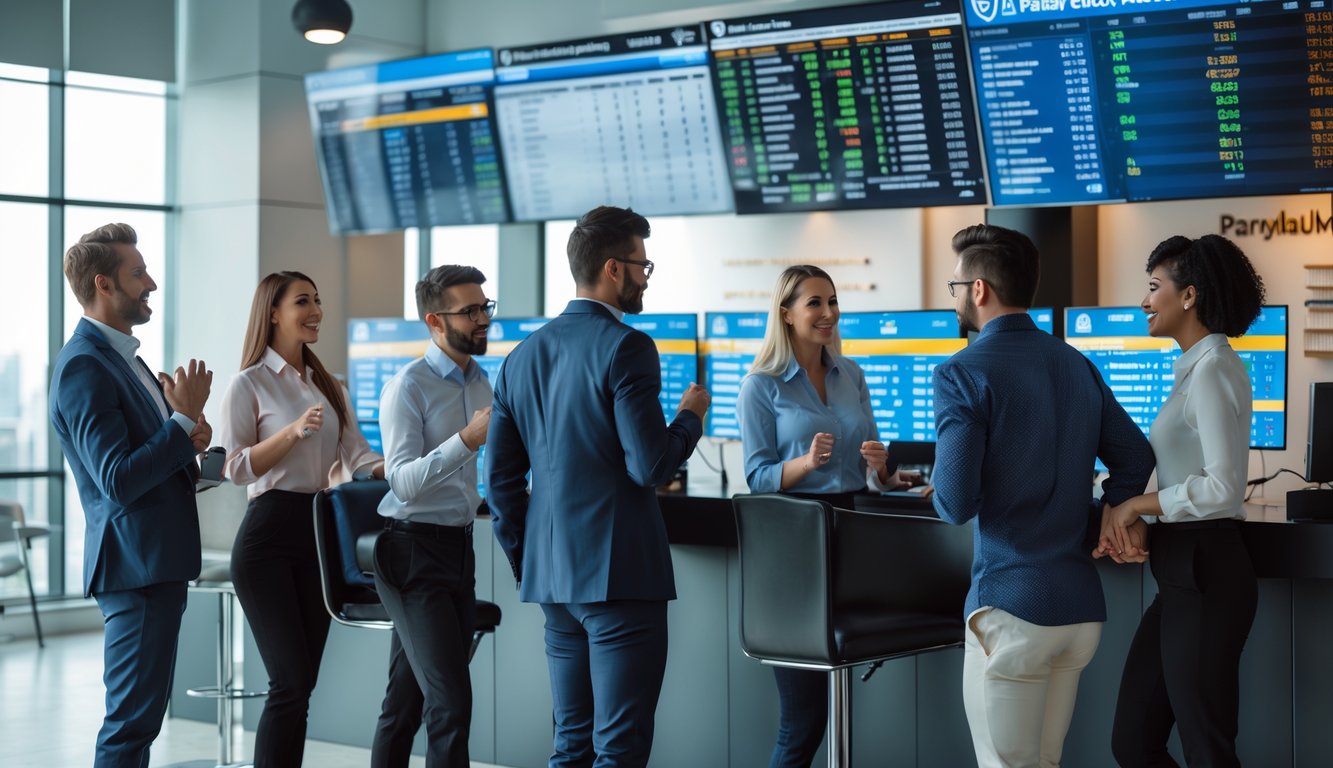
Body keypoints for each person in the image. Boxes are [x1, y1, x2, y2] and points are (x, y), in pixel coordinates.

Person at [486, 205, 711, 767]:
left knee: (571, 745)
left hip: (555, 580)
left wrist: (529, 562)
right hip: (620, 578)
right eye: (643, 265)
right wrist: (690, 418)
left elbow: (501, 482)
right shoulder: (627, 346)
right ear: (614, 268)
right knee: (619, 748)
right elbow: (651, 467)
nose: (645, 277)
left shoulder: (520, 358)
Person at [931, 224, 1154, 767]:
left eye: (956, 286)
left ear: (979, 290)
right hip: (1077, 613)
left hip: (1011, 607)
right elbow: (1136, 457)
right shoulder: (1075, 364)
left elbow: (955, 503)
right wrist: (1107, 514)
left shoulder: (962, 372)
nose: (956, 297)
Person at [735, 264, 920, 767]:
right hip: (794, 545)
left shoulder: (850, 374)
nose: (828, 313)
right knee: (804, 719)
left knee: (838, 704)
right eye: (815, 303)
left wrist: (884, 472)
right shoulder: (761, 386)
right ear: (786, 314)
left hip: (851, 537)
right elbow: (757, 478)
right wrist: (804, 462)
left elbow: (869, 471)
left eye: (832, 301)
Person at [49, 223, 213, 768]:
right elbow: (116, 479)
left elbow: (151, 461)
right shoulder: (84, 366)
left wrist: (189, 441)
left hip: (155, 563)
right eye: (137, 273)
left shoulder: (127, 360)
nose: (151, 284)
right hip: (135, 566)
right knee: (130, 724)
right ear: (104, 284)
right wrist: (182, 417)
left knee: (140, 720)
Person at [1103, 235, 1265, 768]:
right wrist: (1143, 509)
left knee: (1207, 750)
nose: (1144, 302)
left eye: (1153, 288)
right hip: (1180, 573)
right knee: (1133, 742)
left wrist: (1138, 506)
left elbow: (1222, 487)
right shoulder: (1195, 368)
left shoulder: (1214, 369)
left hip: (1208, 568)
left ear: (1189, 295)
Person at [219, 270, 384, 767]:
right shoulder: (247, 383)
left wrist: (411, 466)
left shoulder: (330, 386)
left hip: (317, 533)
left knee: (302, 684)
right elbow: (234, 467)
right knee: (288, 680)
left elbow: (357, 459)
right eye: (302, 302)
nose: (315, 311)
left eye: (317, 300)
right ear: (273, 313)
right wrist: (291, 433)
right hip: (267, 535)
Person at [368, 265, 494, 768]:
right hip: (409, 554)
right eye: (470, 311)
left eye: (485, 307)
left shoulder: (484, 382)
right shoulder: (408, 387)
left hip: (457, 551)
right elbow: (401, 480)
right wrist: (466, 440)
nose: (483, 319)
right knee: (451, 703)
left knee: (406, 701)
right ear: (435, 321)